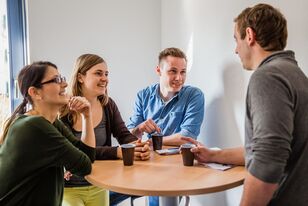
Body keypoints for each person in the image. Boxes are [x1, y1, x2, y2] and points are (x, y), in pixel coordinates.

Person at [184, 3, 308, 206]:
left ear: (249, 35)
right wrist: (214, 155)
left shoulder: (268, 77)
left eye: (236, 39)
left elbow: (268, 159)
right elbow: (264, 148)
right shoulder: (296, 75)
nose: (235, 49)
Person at [0, 61, 96, 206]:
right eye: (57, 80)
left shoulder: (49, 122)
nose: (65, 84)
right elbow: (84, 166)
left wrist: (86, 116)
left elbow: (88, 156)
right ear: (35, 92)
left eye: (62, 78)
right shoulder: (35, 127)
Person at [60, 54, 151, 206]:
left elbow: (123, 135)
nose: (105, 79)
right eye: (98, 73)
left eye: (106, 74)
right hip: (69, 188)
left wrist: (139, 146)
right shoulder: (63, 110)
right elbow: (76, 152)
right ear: (81, 77)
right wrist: (116, 152)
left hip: (99, 184)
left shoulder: (108, 105)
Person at [127, 47, 205, 205]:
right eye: (173, 71)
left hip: (177, 166)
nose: (179, 78)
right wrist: (139, 128)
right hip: (145, 162)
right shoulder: (143, 96)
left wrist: (151, 142)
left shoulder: (194, 96)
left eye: (183, 72)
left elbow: (187, 137)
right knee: (108, 195)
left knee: (159, 197)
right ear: (158, 70)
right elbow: (129, 138)